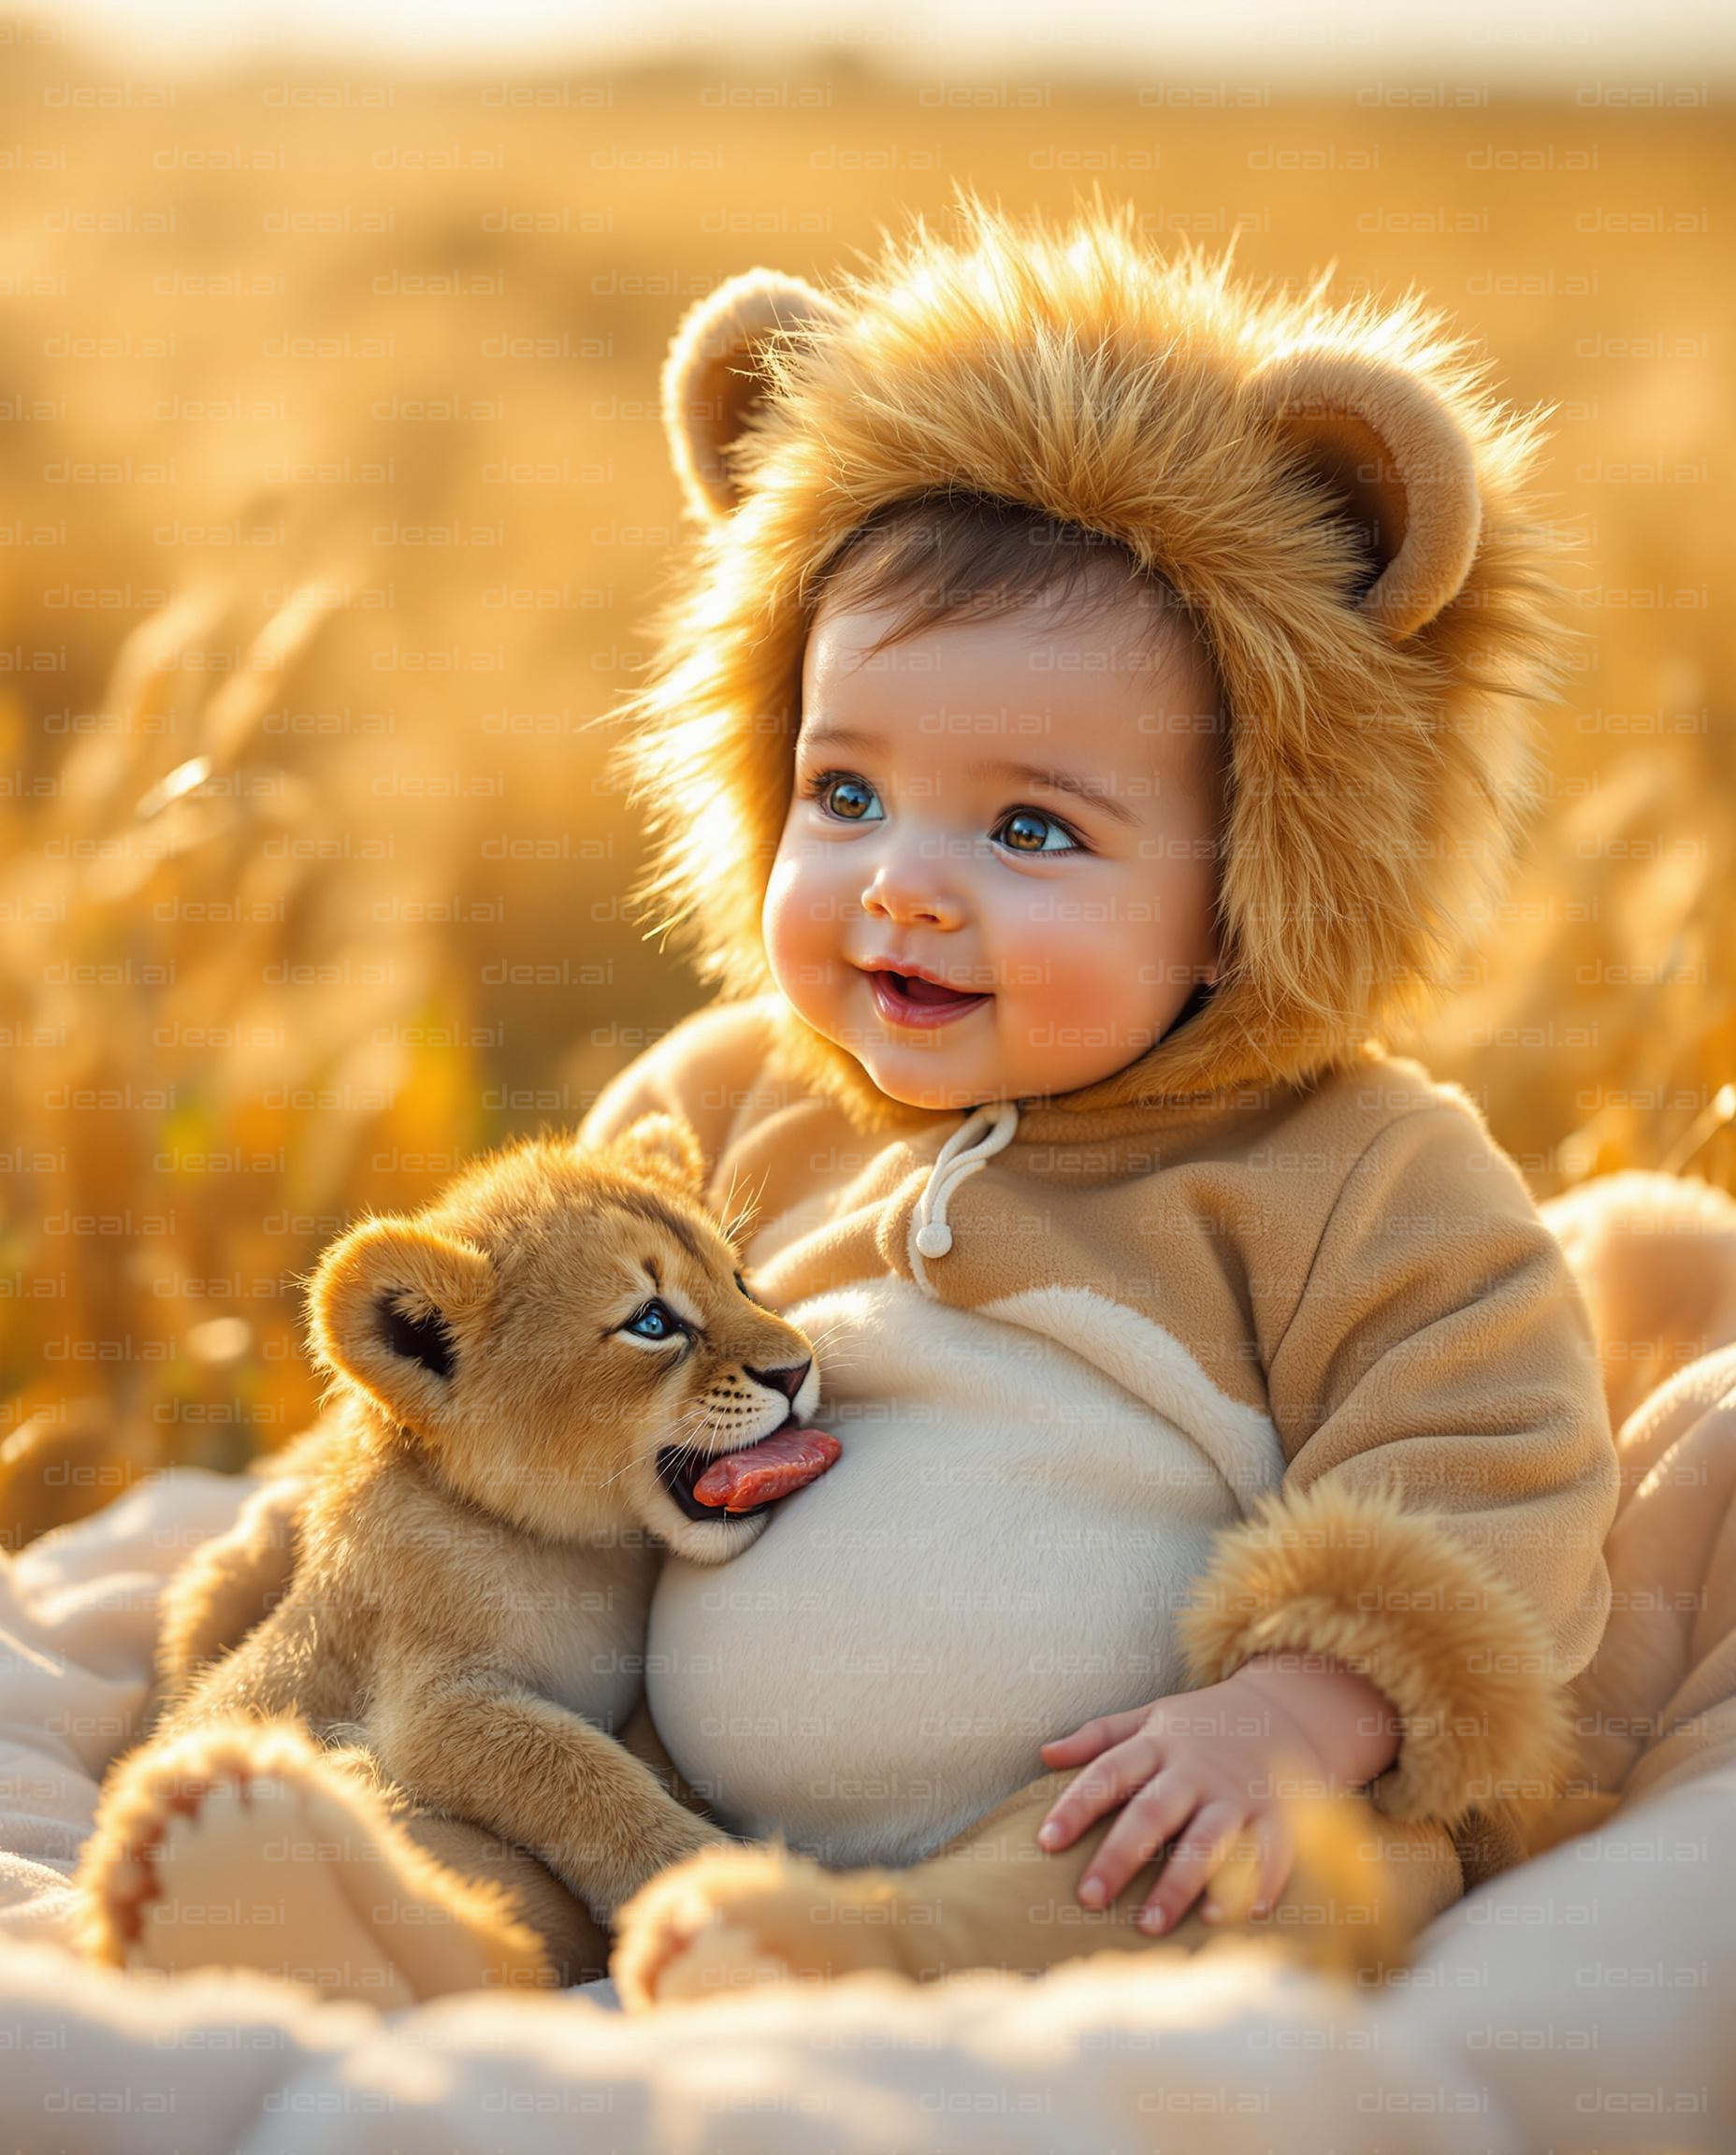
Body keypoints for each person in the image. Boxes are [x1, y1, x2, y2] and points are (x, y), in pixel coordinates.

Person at [70, 190, 1625, 2001]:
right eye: (846, 794)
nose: (900, 884)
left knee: (1276, 1881)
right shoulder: (731, 1093)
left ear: (1254, 880)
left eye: (1030, 827)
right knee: (513, 1798)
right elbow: (456, 1401)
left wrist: (1297, 1710)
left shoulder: (1354, 1170)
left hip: (1120, 1804)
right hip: (673, 1798)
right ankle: (414, 1931)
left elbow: (1493, 1462)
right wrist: (259, 1605)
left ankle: (866, 1962)